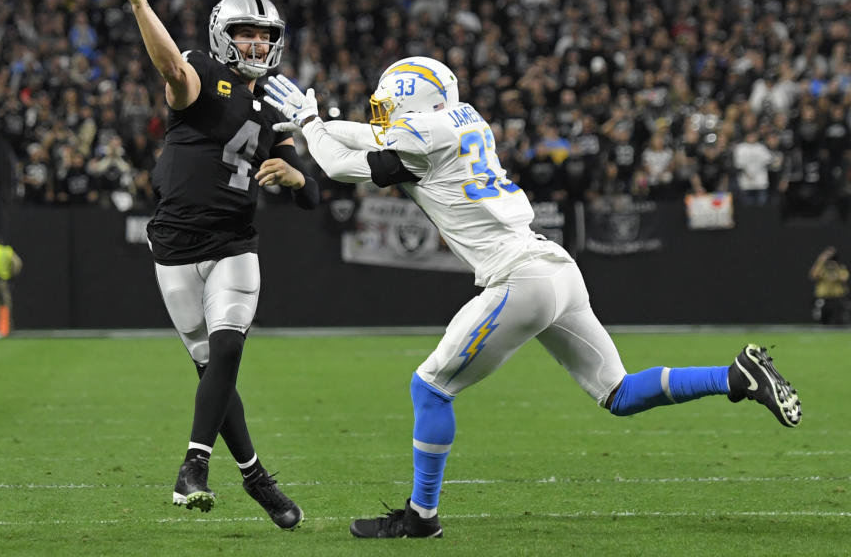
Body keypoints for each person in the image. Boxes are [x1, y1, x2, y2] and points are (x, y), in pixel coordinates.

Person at [263, 57, 802, 539]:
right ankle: (734, 377)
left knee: (429, 388)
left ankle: (421, 517)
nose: (384, 117)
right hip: (555, 267)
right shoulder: (463, 119)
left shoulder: (420, 142)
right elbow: (372, 138)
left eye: (391, 107)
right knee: (618, 391)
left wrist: (312, 126)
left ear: (413, 104)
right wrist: (325, 124)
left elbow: (340, 166)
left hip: (517, 277)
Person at [107, 0, 319, 530]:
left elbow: (310, 197)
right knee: (212, 374)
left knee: (226, 352)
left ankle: (193, 466)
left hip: (234, 244)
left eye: (264, 35)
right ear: (222, 36)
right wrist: (139, 2)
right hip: (174, 246)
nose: (254, 44)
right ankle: (257, 479)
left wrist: (299, 176)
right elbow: (173, 70)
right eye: (245, 33)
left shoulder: (278, 104)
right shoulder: (200, 69)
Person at [809, 246, 850, 325]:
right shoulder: (822, 268)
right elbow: (813, 275)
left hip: (837, 298)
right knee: (823, 320)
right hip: (824, 298)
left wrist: (835, 269)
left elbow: (844, 278)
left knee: (841, 319)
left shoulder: (840, 268)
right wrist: (821, 260)